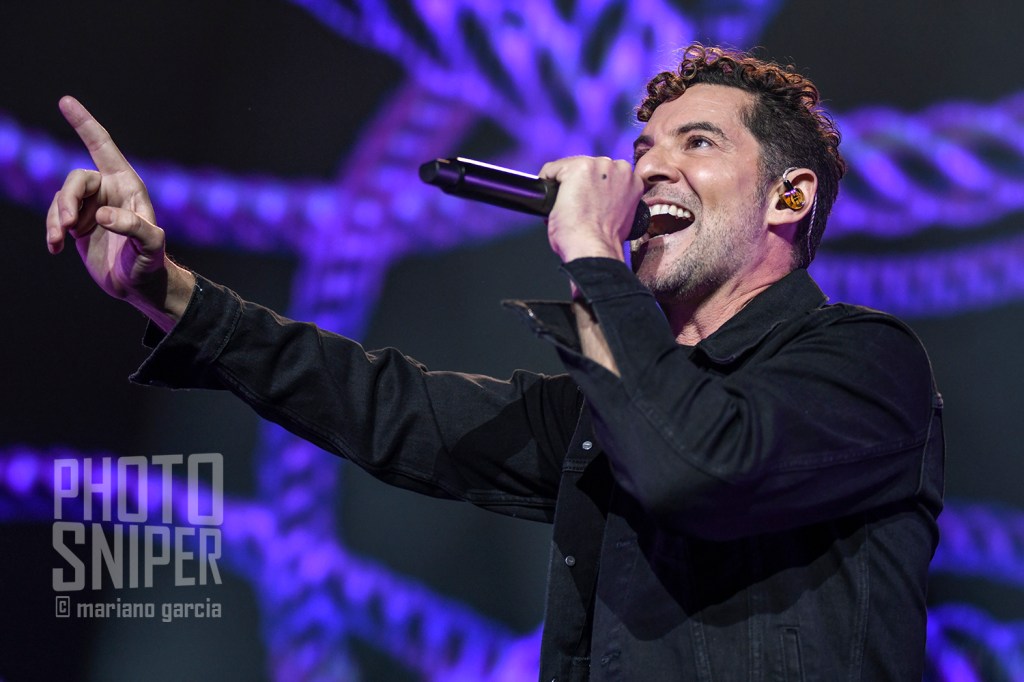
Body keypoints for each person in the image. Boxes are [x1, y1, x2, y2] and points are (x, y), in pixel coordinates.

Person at [46, 44, 943, 681]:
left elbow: (698, 464)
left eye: (696, 143)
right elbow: (391, 407)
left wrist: (592, 256)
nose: (646, 172)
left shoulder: (865, 364)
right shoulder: (610, 412)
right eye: (642, 149)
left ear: (790, 196)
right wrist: (170, 295)